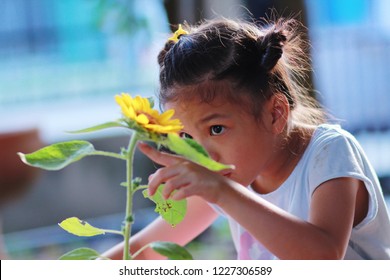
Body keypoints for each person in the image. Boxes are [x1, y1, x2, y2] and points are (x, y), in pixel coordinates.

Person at [104, 17, 390, 260]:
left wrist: (221, 191)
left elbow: (323, 258)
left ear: (275, 114)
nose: (203, 154)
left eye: (216, 129)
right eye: (185, 135)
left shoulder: (329, 153)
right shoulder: (230, 174)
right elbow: (145, 249)